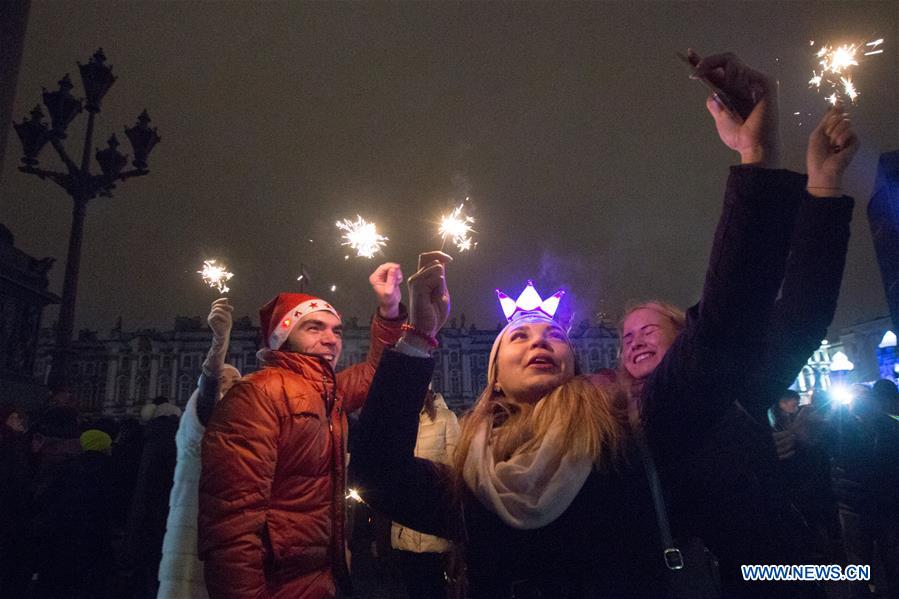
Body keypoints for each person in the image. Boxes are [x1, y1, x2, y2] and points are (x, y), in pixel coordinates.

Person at [351, 52, 859, 598]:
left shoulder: (627, 433)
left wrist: (757, 157)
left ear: (576, 366)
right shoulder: (472, 481)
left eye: (553, 336)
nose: (539, 339)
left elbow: (725, 327)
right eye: (518, 337)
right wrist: (419, 335)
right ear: (492, 373)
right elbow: (377, 475)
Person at [617, 61, 857, 595]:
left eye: (648, 330)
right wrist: (756, 159)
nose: (633, 341)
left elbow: (801, 314)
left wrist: (823, 187)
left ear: (686, 334)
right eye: (626, 338)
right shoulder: (638, 417)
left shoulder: (738, 389)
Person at [198, 262, 406, 599]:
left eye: (336, 330)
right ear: (283, 337)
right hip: (276, 585)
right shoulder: (257, 394)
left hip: (319, 579)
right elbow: (232, 527)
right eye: (314, 328)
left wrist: (390, 308)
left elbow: (375, 373)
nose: (330, 339)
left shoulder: (328, 392)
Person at [158, 298, 242, 599]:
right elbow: (208, 387)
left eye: (235, 383)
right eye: (224, 381)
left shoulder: (246, 430)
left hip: (232, 533)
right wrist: (219, 343)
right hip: (197, 530)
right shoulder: (202, 419)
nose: (227, 387)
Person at [390, 388, 460, 599]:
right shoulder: (400, 423)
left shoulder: (447, 419)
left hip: (434, 526)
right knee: (414, 590)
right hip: (405, 527)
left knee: (435, 590)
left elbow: (456, 470)